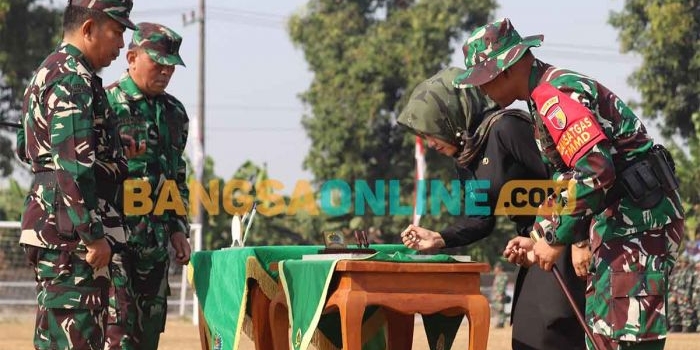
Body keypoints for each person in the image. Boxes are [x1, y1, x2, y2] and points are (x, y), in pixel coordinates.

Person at [454, 18, 685, 350]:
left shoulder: (554, 95)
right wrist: (539, 236)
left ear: (505, 69)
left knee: (625, 338)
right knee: (605, 334)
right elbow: (567, 177)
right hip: (622, 224)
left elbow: (596, 169)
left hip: (637, 226)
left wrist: (555, 239)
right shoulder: (542, 96)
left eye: (483, 80)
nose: (481, 90)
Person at [397, 67, 586, 350]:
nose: (430, 142)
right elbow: (480, 219)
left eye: (431, 129)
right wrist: (439, 238)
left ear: (451, 116)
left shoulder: (506, 128)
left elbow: (568, 179)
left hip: (564, 241)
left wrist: (579, 238)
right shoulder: (466, 158)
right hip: (535, 248)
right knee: (526, 337)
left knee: (553, 333)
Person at [15, 1, 136, 349]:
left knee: (56, 336)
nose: (121, 44)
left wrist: (107, 148)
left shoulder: (46, 71)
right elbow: (73, 164)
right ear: (88, 29)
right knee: (78, 337)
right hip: (72, 236)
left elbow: (28, 146)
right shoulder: (74, 79)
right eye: (116, 32)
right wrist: (93, 234)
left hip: (51, 226)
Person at [104, 22, 191, 350]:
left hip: (154, 248)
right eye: (158, 63)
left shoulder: (174, 113)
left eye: (171, 66)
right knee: (118, 336)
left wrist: (178, 228)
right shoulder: (106, 104)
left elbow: (176, 175)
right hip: (115, 244)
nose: (166, 72)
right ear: (132, 57)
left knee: (147, 338)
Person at [490, 262, 509, 328]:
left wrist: (499, 295)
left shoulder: (503, 276)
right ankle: (498, 322)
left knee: (500, 309)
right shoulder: (497, 275)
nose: (495, 269)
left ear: (500, 268)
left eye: (496, 268)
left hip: (500, 295)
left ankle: (501, 323)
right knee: (497, 309)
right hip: (496, 296)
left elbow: (502, 286)